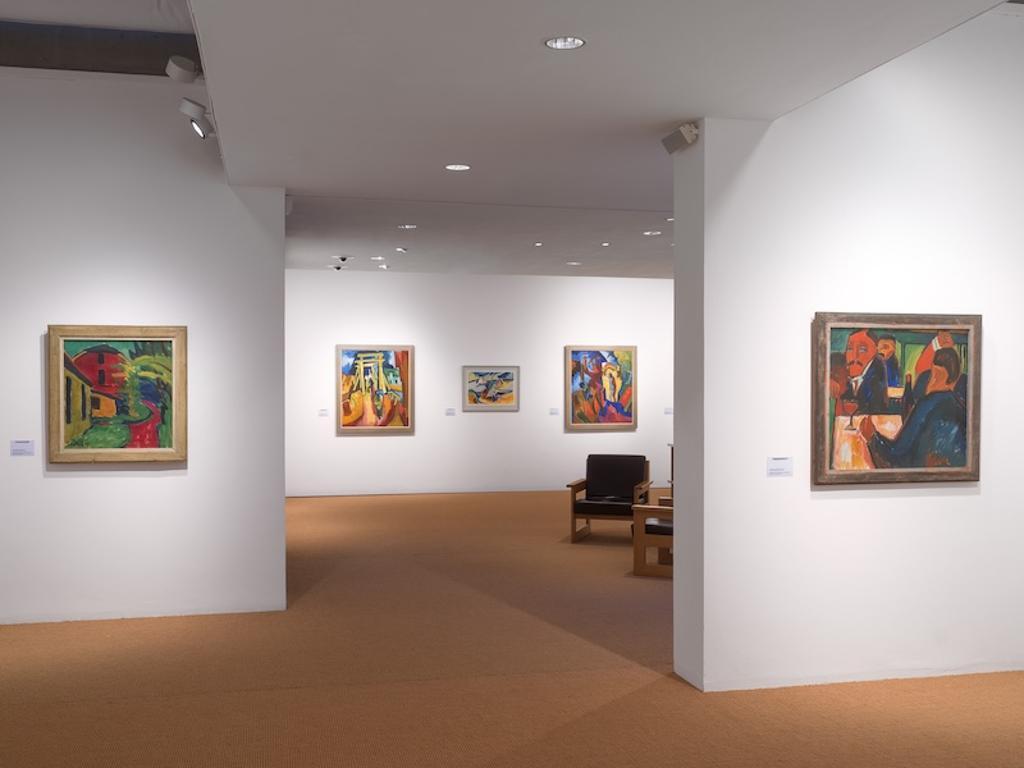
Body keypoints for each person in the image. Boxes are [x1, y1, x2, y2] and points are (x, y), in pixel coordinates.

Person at [859, 347, 967, 468]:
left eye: (933, 375)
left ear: (936, 374)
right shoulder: (961, 409)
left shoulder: (926, 405)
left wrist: (872, 437)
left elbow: (895, 456)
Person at [841, 329, 888, 413]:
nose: (854, 356)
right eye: (850, 349)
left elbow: (875, 408)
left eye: (862, 349)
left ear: (875, 352)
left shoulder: (876, 375)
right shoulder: (842, 375)